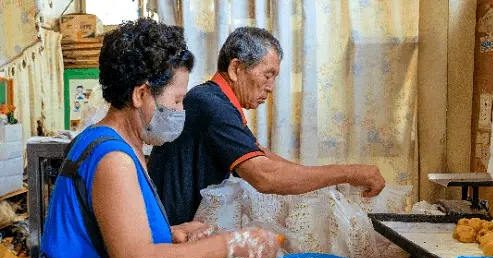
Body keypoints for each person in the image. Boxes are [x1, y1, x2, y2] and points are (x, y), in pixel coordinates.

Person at [23, 19, 281, 258]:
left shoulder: (117, 143)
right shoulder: (113, 158)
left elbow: (103, 232)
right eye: (176, 100)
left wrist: (170, 234)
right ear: (141, 94)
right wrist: (234, 243)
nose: (181, 112)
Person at [148, 27, 386, 226]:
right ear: (236, 69)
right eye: (267, 75)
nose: (271, 87)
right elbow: (265, 176)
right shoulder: (212, 105)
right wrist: (350, 173)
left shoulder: (216, 101)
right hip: (172, 236)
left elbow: (261, 154)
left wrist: (325, 184)